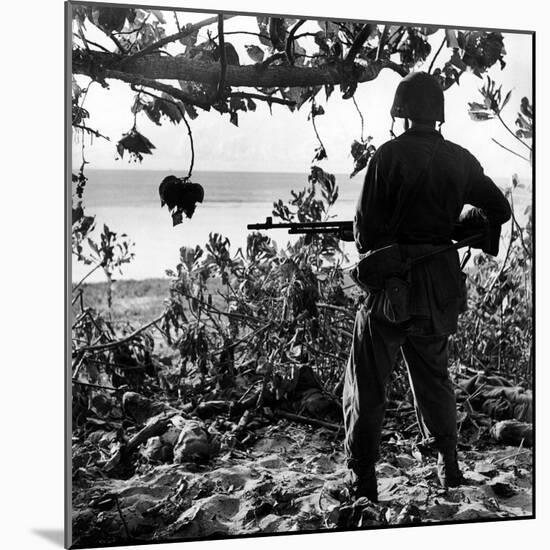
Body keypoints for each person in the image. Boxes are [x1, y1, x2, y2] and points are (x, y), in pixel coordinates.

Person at [342, 71, 512, 502]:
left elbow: (365, 235)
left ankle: (363, 477)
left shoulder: (386, 157)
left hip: (394, 287)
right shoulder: (460, 159)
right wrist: (454, 227)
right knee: (434, 378)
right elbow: (499, 211)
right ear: (437, 114)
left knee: (368, 381)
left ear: (401, 112)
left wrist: (392, 236)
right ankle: (448, 467)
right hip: (439, 285)